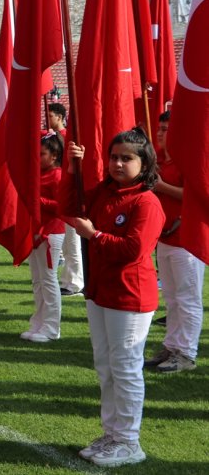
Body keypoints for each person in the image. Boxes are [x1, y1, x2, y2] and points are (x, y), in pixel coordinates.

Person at [63, 129, 164, 467]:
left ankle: (129, 441)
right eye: (114, 157)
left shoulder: (146, 201)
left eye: (127, 158)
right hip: (101, 291)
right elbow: (68, 207)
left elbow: (134, 250)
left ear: (144, 162)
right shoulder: (106, 192)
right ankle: (113, 432)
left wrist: (96, 235)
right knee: (106, 366)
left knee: (125, 367)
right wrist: (73, 166)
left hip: (130, 295)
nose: (118, 163)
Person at [144, 111, 205, 373]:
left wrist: (161, 186)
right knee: (171, 297)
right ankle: (171, 346)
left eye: (166, 128)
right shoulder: (159, 161)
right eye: (159, 128)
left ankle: (186, 352)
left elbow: (195, 195)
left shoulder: (188, 161)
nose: (160, 133)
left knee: (187, 298)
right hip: (166, 237)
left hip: (186, 239)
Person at [21, 133, 65, 342]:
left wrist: (38, 201)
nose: (38, 158)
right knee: (38, 281)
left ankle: (51, 327)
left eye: (43, 154)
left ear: (55, 155)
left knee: (48, 280)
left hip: (51, 232)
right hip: (36, 230)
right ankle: (38, 322)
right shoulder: (37, 174)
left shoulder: (57, 175)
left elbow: (62, 207)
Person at [46, 102, 85, 296]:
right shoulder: (49, 136)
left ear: (60, 117)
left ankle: (75, 281)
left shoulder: (66, 137)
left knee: (72, 240)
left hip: (68, 192)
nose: (47, 118)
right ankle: (68, 279)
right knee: (67, 242)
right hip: (60, 191)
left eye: (50, 115)